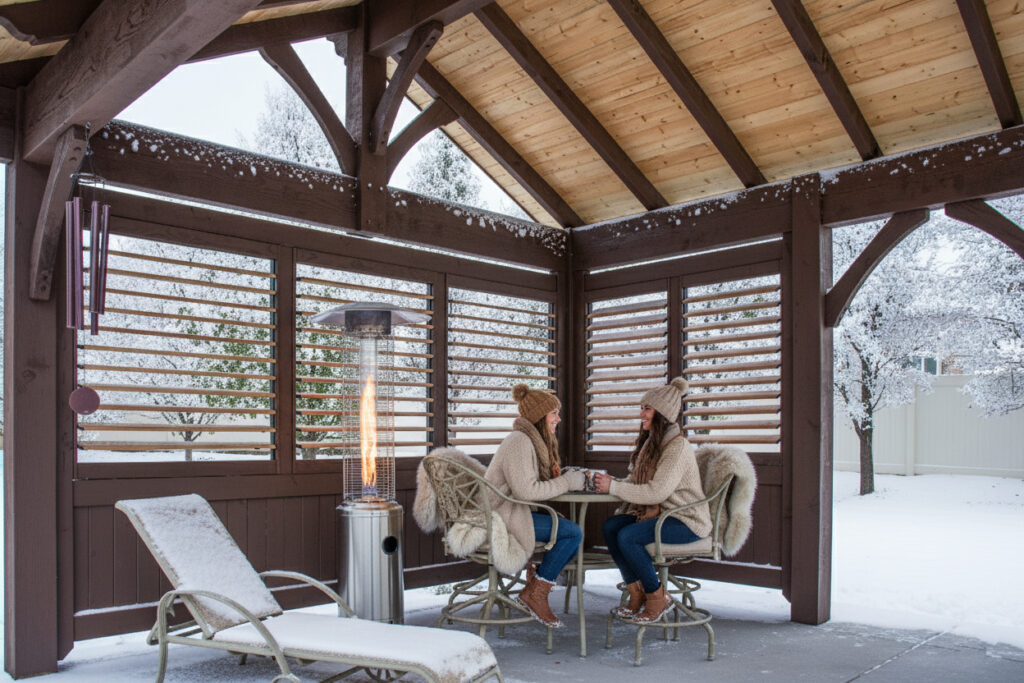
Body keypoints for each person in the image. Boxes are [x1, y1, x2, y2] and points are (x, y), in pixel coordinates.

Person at [592, 376, 710, 623]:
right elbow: (638, 484)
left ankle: (657, 598)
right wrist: (613, 483)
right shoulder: (652, 445)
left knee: (628, 536)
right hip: (662, 515)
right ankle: (636, 592)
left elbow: (657, 493)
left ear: (662, 413)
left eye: (647, 409)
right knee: (611, 527)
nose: (641, 414)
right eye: (641, 408)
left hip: (685, 520)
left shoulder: (677, 448)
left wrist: (614, 487)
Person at [485, 383, 585, 628]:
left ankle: (535, 582)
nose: (558, 419)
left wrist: (562, 478)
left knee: (569, 534)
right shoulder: (519, 442)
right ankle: (535, 593)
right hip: (501, 518)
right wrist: (567, 482)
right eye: (554, 414)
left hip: (511, 513)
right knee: (572, 533)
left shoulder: (530, 440)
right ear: (540, 417)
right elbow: (526, 490)